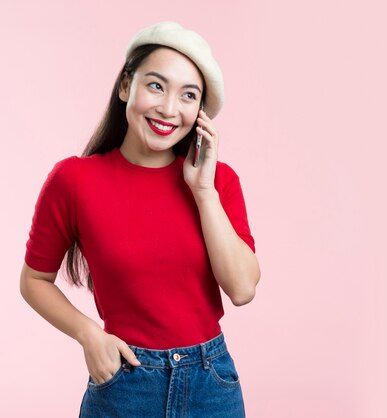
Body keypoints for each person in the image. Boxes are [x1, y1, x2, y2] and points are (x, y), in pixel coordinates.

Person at [19, 21, 260, 417]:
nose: (168, 108)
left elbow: (242, 288)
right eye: (155, 86)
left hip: (210, 383)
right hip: (124, 381)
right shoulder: (74, 181)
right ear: (125, 86)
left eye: (188, 95)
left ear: (199, 113)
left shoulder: (218, 183)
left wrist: (202, 191)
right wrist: (89, 335)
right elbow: (33, 280)